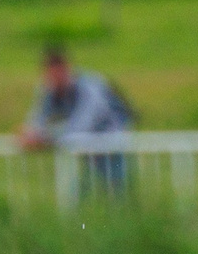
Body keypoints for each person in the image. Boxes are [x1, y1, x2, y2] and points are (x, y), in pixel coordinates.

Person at [20, 48, 136, 196]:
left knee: (116, 190)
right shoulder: (48, 88)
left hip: (111, 138)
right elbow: (38, 117)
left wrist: (47, 138)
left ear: (67, 68)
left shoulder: (89, 85)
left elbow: (84, 122)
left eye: (58, 73)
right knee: (82, 191)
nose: (55, 79)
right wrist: (31, 134)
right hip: (84, 142)